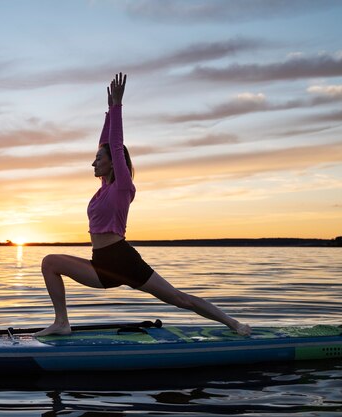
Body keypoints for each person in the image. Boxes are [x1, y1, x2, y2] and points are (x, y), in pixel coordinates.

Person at [35, 73, 251, 337]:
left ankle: (234, 323)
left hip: (122, 260)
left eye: (98, 159)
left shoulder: (122, 187)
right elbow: (105, 144)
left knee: (178, 299)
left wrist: (117, 107)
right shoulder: (104, 188)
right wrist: (107, 112)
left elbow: (114, 146)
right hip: (101, 264)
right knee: (50, 263)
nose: (93, 163)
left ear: (114, 163)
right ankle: (62, 323)